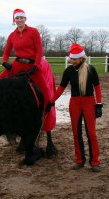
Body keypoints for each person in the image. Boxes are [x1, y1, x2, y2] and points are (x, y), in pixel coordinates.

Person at [0, 9, 56, 140]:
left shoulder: (34, 32)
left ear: (25, 19)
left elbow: (39, 51)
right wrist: (5, 62)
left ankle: (47, 117)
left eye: (21, 18)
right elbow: (6, 52)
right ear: (14, 20)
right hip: (18, 63)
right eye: (17, 18)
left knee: (46, 94)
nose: (19, 20)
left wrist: (36, 66)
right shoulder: (12, 35)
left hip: (32, 64)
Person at [46, 43, 103, 172]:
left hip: (89, 102)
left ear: (81, 58)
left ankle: (95, 162)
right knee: (76, 133)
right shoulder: (69, 71)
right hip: (74, 103)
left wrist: (99, 104)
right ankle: (79, 160)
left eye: (75, 59)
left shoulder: (90, 69)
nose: (72, 61)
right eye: (71, 58)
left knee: (91, 133)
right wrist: (51, 101)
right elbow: (61, 88)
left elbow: (97, 87)